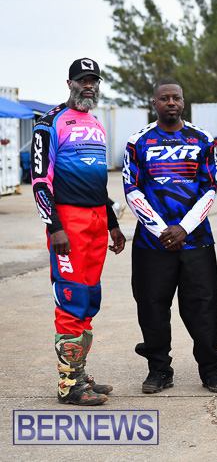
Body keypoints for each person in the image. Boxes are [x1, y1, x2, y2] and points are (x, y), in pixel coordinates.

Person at [124, 78, 217, 394]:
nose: (171, 103)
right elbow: (131, 189)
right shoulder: (137, 142)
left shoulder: (203, 139)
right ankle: (159, 370)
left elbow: (210, 188)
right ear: (153, 103)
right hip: (152, 243)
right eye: (164, 98)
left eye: (176, 98)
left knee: (204, 308)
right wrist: (161, 230)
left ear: (183, 102)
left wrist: (184, 227)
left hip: (196, 240)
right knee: (152, 308)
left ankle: (211, 369)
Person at [32, 58, 126, 406]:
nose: (89, 86)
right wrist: (54, 226)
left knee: (88, 300)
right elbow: (40, 181)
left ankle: (79, 373)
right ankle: (68, 385)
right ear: (69, 83)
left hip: (97, 221)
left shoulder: (96, 124)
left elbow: (98, 181)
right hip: (68, 223)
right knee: (71, 299)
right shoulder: (49, 123)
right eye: (82, 80)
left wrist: (112, 223)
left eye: (93, 80)